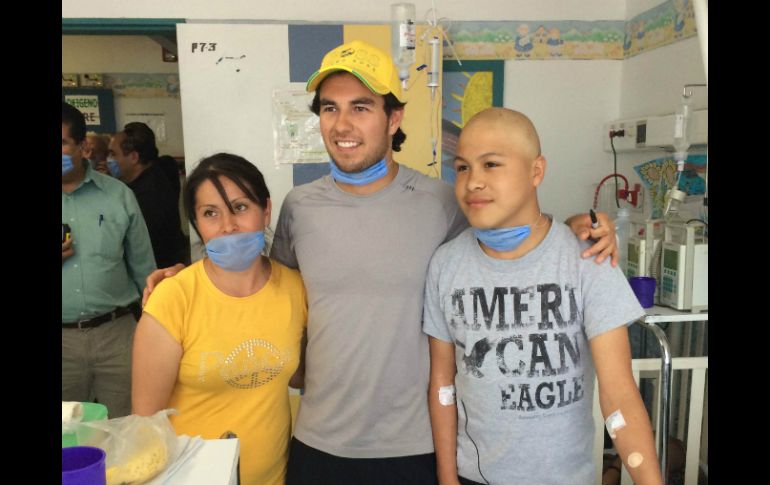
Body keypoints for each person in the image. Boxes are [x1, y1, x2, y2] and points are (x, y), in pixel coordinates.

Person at [143, 40, 618, 484]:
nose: (341, 125)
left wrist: (575, 226)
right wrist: (190, 280)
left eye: (361, 107)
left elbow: (508, 244)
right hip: (318, 441)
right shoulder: (300, 206)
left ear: (394, 118)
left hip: (417, 443)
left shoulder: (440, 202)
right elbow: (264, 287)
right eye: (330, 108)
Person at [422, 107, 662, 485]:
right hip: (475, 477)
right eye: (463, 167)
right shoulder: (447, 265)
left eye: (491, 164)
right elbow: (442, 382)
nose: (473, 182)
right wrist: (447, 477)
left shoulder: (586, 259)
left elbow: (620, 394)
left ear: (536, 171)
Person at [132, 153, 308, 485]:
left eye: (240, 207)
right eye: (210, 213)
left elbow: (300, 376)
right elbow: (146, 425)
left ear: (266, 210)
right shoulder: (173, 299)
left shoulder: (295, 289)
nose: (228, 226)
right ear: (196, 223)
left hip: (273, 477)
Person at [62, 102, 156, 418]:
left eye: (61, 143)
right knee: (66, 433)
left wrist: (155, 329)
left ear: (82, 146)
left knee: (128, 426)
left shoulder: (118, 195)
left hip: (117, 334)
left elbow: (144, 268)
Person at [109, 122, 189, 268]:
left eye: (113, 154)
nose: (109, 160)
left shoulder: (150, 193)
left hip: (158, 267)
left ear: (134, 157)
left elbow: (133, 242)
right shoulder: (160, 168)